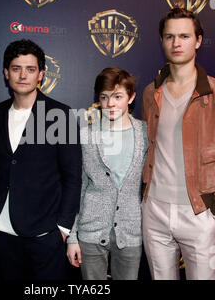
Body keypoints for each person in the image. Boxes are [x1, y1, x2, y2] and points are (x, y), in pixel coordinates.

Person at [141, 7, 215, 280]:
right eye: (170, 37)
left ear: (198, 41)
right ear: (162, 41)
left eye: (184, 36)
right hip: (154, 212)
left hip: (200, 213)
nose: (176, 43)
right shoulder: (151, 92)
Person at [0, 39, 82, 280]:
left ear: (41, 75)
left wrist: (62, 227)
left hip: (44, 234)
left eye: (30, 69)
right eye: (16, 68)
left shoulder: (60, 115)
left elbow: (72, 176)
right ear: (6, 73)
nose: (23, 75)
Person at [66, 67, 148, 280]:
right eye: (104, 97)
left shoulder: (145, 133)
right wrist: (72, 237)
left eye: (118, 96)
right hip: (90, 231)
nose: (110, 104)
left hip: (131, 232)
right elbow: (78, 187)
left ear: (131, 97)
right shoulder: (86, 135)